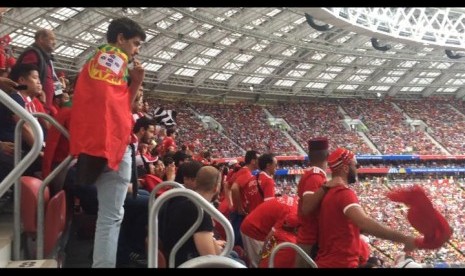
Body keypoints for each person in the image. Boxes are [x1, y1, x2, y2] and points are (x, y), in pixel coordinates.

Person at [69, 17, 146, 268]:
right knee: (111, 218)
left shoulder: (95, 61)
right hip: (112, 147)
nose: (136, 50)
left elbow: (119, 104)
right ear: (120, 38)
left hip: (94, 146)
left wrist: (134, 82)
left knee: (109, 217)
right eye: (135, 43)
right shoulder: (114, 57)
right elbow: (114, 107)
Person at [315, 147, 418, 268]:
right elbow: (364, 223)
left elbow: (349, 227)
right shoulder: (343, 193)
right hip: (341, 263)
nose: (358, 169)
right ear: (346, 168)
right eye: (356, 165)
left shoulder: (328, 193)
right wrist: (405, 239)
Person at [158, 166, 223, 267]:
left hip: (173, 257)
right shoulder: (200, 212)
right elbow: (210, 260)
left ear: (196, 182)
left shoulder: (179, 199)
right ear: (216, 188)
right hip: (186, 263)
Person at [294, 137, 330, 267]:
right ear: (328, 155)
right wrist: (326, 187)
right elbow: (307, 207)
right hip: (310, 239)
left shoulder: (313, 175)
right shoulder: (314, 177)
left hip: (310, 237)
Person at [16, 29, 59, 115]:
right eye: (52, 39)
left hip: (45, 106)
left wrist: (59, 94)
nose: (55, 42)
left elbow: (52, 80)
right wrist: (38, 93)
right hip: (35, 106)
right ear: (41, 39)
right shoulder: (33, 54)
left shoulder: (46, 58)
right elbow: (21, 79)